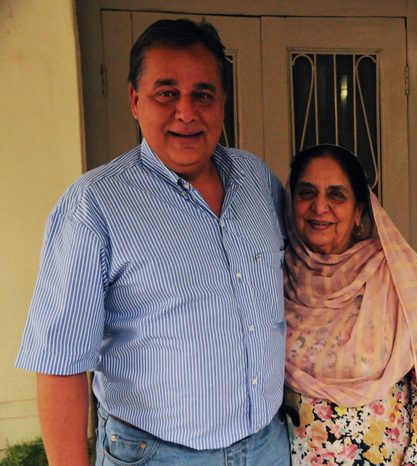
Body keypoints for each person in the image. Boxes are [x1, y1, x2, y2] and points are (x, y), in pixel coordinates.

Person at [16, 19, 289, 466]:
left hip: (266, 447)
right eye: (166, 93)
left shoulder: (257, 180)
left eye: (203, 94)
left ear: (222, 102)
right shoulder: (95, 205)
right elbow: (60, 363)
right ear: (134, 101)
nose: (186, 112)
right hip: (156, 454)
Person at [282, 144, 417, 465]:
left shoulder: (395, 277)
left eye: (336, 195)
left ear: (359, 212)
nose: (319, 206)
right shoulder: (274, 278)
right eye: (306, 192)